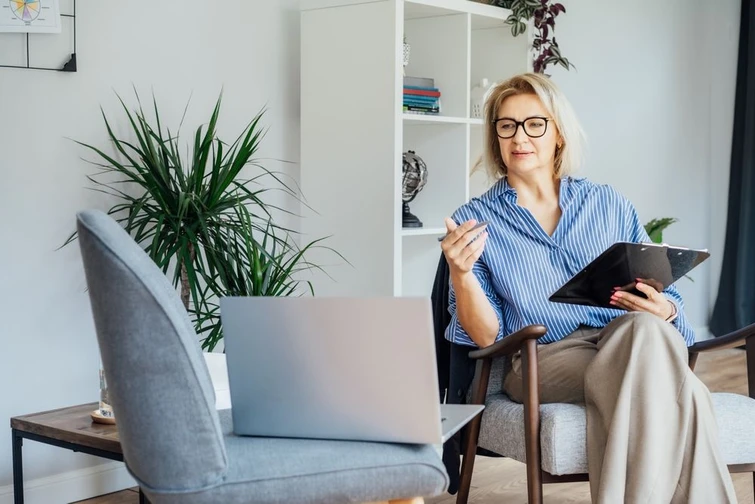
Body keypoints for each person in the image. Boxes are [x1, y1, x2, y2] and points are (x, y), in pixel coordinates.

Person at [439, 72, 737, 504]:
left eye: (534, 123)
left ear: (558, 133)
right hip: (542, 357)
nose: (519, 136)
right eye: (507, 125)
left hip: (625, 338)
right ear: (496, 136)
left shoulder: (608, 203)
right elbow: (486, 337)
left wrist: (664, 310)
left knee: (647, 333)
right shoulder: (476, 221)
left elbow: (666, 296)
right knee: (683, 388)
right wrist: (461, 275)